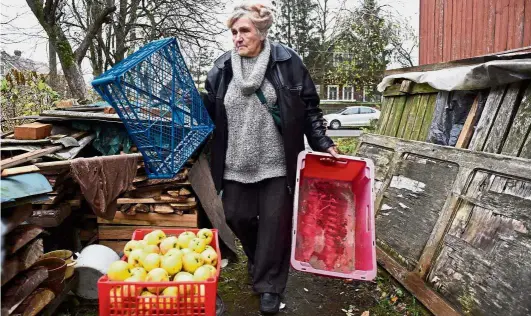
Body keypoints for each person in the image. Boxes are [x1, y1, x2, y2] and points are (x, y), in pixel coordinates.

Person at [201, 2, 339, 314]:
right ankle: (258, 261)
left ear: (261, 32)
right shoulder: (222, 69)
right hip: (234, 164)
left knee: (275, 227)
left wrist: (322, 141)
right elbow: (208, 112)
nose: (237, 37)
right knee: (237, 217)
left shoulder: (287, 62)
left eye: (244, 30)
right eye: (234, 32)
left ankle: (269, 286)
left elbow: (309, 108)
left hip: (277, 163)